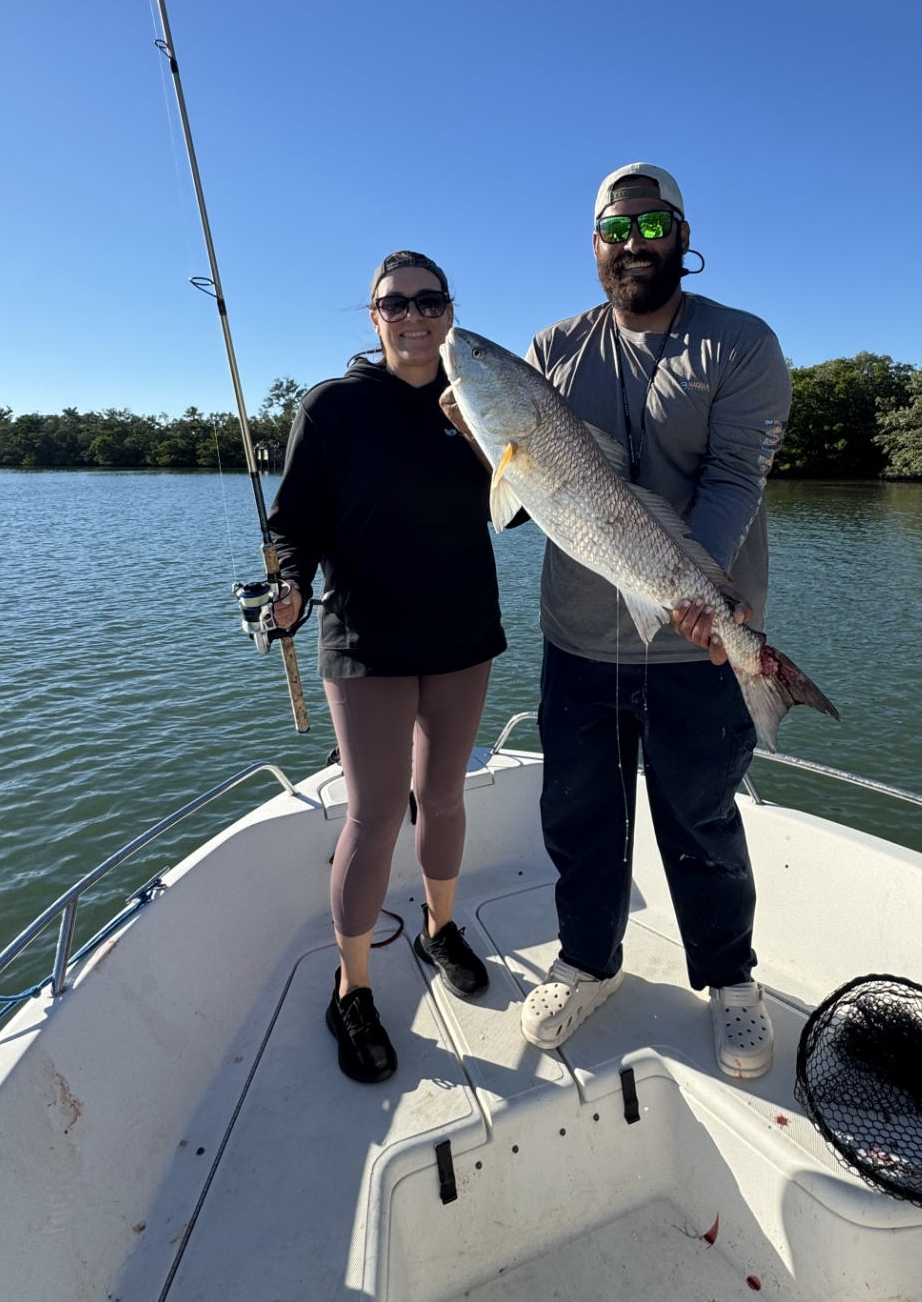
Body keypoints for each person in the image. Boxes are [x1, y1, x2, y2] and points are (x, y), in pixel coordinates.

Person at [464, 163, 791, 1083]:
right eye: (618, 230)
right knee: (580, 818)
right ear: (594, 243)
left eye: (654, 229)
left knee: (701, 817)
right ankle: (587, 963)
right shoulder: (551, 348)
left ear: (684, 234)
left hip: (696, 641)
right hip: (579, 641)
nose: (635, 246)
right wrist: (473, 433)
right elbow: (522, 498)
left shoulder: (741, 344)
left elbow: (736, 478)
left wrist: (699, 590)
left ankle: (730, 983)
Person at [267, 253, 502, 1086]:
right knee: (372, 815)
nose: (413, 314)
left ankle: (440, 930)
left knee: (443, 795)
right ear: (373, 318)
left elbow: (510, 510)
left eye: (429, 300)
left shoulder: (480, 399)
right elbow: (294, 526)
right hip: (363, 640)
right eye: (394, 303)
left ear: (449, 312)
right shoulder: (332, 407)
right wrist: (289, 587)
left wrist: (478, 435)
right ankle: (352, 984)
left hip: (463, 633)